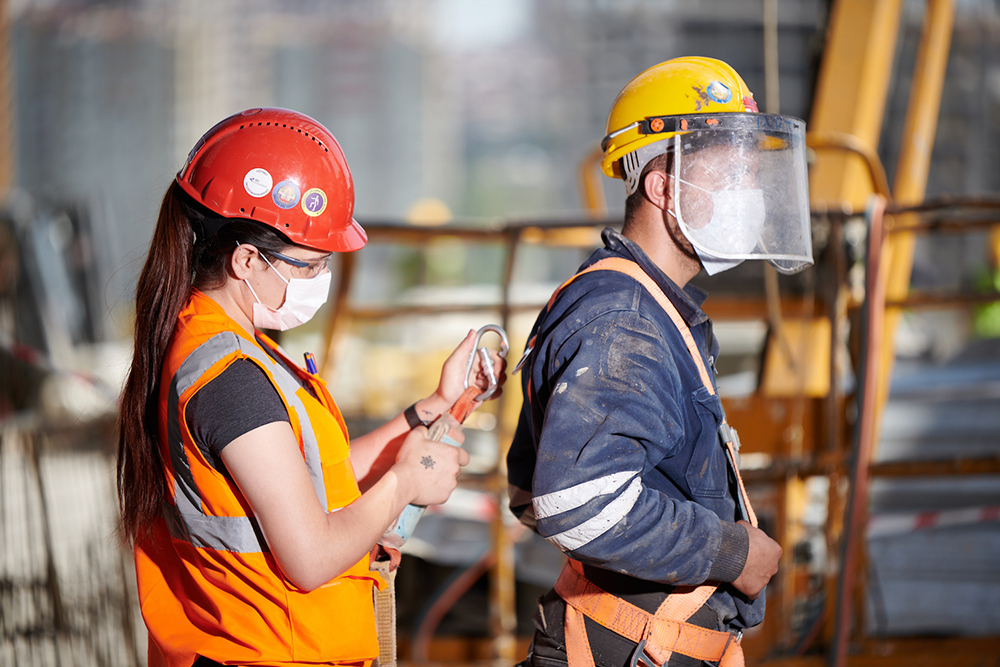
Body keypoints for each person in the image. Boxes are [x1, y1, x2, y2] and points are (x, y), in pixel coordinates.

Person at [115, 107, 505, 667]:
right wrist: (402, 485)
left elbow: (317, 477)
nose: (319, 283)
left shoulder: (224, 346)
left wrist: (436, 407)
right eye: (309, 266)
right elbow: (311, 555)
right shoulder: (229, 381)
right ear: (247, 260)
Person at [507, 57, 813, 667]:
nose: (747, 192)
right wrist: (733, 552)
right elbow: (577, 503)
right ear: (662, 185)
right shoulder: (625, 318)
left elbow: (528, 489)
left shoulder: (649, 306)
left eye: (753, 172)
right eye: (730, 170)